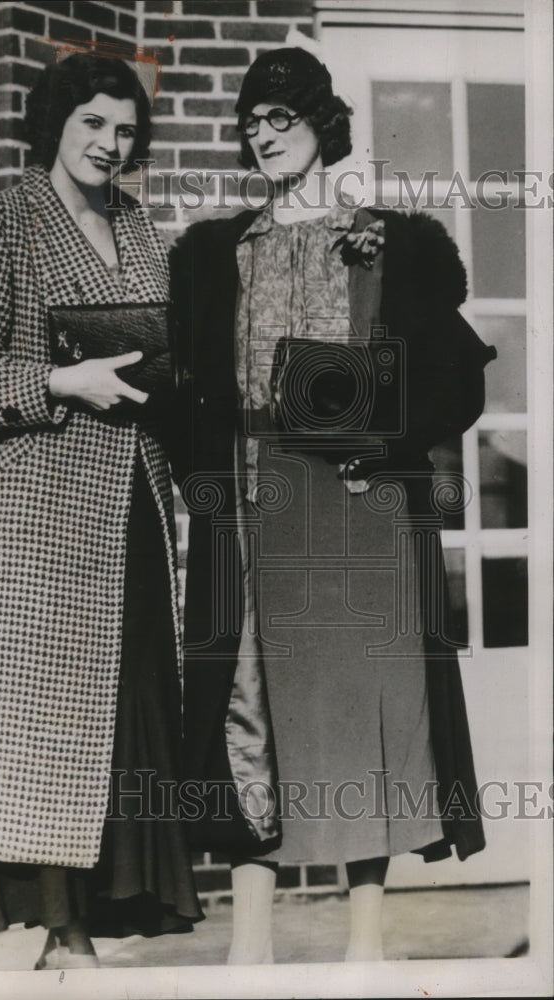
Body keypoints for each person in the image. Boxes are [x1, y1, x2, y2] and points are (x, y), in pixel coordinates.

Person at [170, 45, 490, 965]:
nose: (264, 136)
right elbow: (191, 390)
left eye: (283, 119)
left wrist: (386, 450)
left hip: (364, 505)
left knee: (367, 715)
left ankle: (363, 949)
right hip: (259, 502)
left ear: (322, 125)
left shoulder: (397, 244)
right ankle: (252, 949)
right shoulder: (212, 255)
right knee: (251, 709)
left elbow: (458, 379)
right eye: (251, 124)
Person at [0, 51, 202, 971]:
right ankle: (60, 928)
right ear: (56, 122)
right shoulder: (2, 220)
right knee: (49, 721)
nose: (110, 144)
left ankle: (119, 907)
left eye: (125, 130)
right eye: (93, 124)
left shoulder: (142, 228)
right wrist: (57, 379)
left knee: (125, 708)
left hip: (133, 507)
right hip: (40, 517)